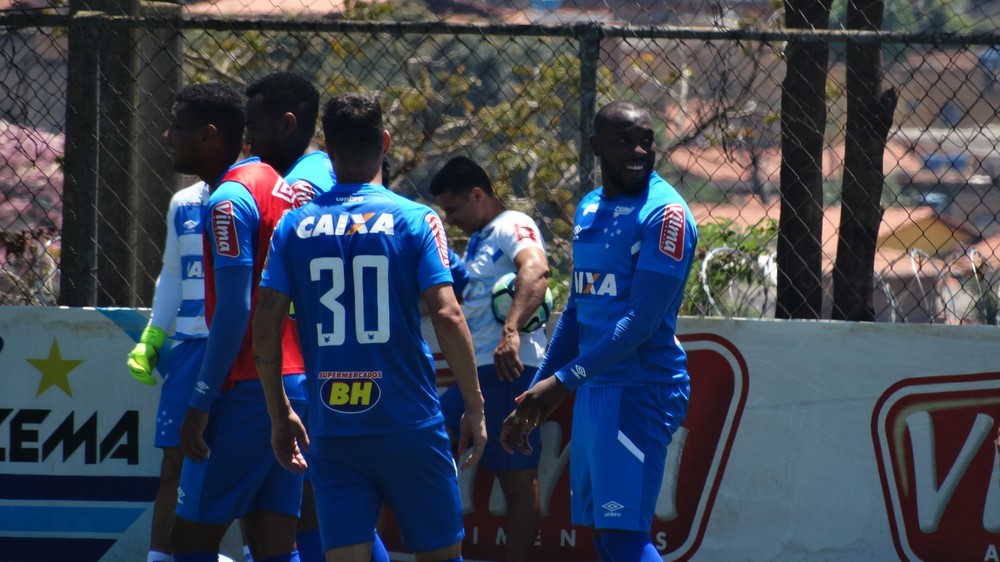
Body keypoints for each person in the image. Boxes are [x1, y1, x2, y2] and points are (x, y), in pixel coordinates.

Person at [253, 93, 487, 562]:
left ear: (328, 150)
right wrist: (475, 408)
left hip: (335, 426)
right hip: (410, 423)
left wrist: (279, 412)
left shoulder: (293, 227)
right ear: (384, 142)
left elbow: (265, 326)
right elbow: (447, 313)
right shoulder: (416, 219)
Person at [500, 101, 698, 562]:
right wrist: (537, 391)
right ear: (595, 147)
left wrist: (563, 381)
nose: (638, 150)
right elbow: (577, 309)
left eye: (646, 139)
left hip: (639, 389)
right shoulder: (590, 207)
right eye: (623, 140)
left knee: (626, 537)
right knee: (604, 537)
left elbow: (641, 323)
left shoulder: (665, 214)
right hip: (595, 389)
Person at [242, 71, 389, 562]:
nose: (249, 139)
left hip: (319, 368)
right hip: (332, 365)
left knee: (324, 504)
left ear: (287, 125)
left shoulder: (304, 187)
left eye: (255, 127)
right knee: (320, 507)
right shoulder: (324, 174)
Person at [165, 81, 307, 562]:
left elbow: (234, 308)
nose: (168, 135)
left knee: (188, 544)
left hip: (245, 388)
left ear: (208, 135)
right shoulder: (275, 183)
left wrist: (200, 401)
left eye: (177, 127)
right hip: (293, 382)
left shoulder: (228, 199)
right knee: (273, 545)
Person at [429, 156, 550, 561]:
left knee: (516, 479)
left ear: (478, 195)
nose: (452, 219)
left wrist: (511, 331)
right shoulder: (482, 240)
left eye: (454, 209)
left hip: (505, 369)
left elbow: (536, 270)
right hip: (480, 370)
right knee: (427, 443)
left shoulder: (512, 224)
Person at [127, 180, 240, 562]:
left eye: (180, 127)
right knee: (175, 460)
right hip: (191, 346)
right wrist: (154, 333)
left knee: (259, 462)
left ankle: (259, 551)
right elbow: (173, 273)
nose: (170, 135)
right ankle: (158, 557)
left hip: (246, 348)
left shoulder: (257, 192)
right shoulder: (184, 202)